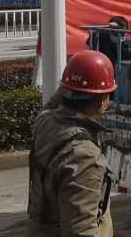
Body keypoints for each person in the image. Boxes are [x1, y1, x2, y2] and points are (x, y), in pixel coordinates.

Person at [27, 50, 116, 237]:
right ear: (102, 101)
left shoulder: (44, 122)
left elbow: (56, 103)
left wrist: (75, 78)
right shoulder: (85, 156)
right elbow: (80, 229)